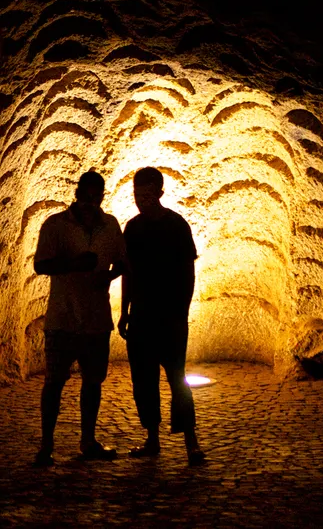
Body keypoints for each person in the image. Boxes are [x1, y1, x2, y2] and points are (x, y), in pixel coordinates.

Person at [32, 171, 126, 467]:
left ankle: (88, 439)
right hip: (62, 318)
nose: (89, 202)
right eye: (85, 196)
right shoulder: (56, 225)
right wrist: (73, 264)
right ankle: (47, 444)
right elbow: (41, 265)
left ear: (101, 196)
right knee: (54, 382)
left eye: (95, 197)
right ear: (77, 194)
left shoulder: (110, 226)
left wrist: (108, 276)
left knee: (93, 381)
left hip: (96, 318)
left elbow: (122, 260)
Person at [118, 167, 206, 466]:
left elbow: (188, 272)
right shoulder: (133, 228)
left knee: (176, 378)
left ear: (159, 193)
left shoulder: (176, 226)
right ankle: (152, 439)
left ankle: (191, 441)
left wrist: (182, 311)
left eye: (146, 195)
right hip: (142, 314)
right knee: (143, 380)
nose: (141, 201)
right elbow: (128, 271)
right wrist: (124, 310)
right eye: (137, 195)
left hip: (169, 315)